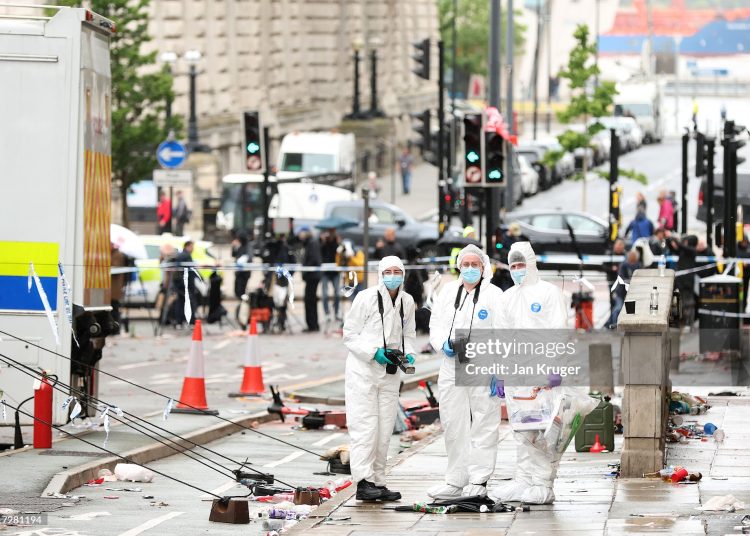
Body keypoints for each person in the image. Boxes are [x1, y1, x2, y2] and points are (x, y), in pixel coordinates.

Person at [490, 241, 568, 505]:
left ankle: (544, 483)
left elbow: (559, 329)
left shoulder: (549, 293)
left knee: (544, 431)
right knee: (521, 430)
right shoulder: (506, 298)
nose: (517, 270)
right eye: (513, 266)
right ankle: (523, 480)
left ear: (531, 263)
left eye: (521, 264)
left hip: (542, 374)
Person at [427, 244, 504, 499]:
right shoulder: (448, 292)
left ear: (484, 267)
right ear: (459, 266)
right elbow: (436, 324)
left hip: (482, 363)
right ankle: (455, 480)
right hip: (451, 364)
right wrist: (443, 344)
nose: (470, 269)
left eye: (475, 265)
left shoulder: (494, 295)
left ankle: (479, 481)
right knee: (452, 422)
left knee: (484, 422)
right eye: (466, 264)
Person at [343, 255, 417, 501]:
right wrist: (373, 352)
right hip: (363, 371)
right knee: (365, 427)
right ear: (380, 274)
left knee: (385, 428)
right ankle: (363, 482)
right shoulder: (365, 298)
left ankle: (378, 482)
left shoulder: (407, 302)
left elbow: (410, 333)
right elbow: (349, 335)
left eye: (398, 271)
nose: (393, 276)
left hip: (390, 373)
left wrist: (410, 356)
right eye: (389, 271)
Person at [608, 249, 641, 328]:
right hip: (621, 292)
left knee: (630, 309)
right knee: (618, 308)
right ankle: (613, 323)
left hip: (632, 292)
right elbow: (621, 278)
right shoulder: (623, 265)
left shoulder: (639, 265)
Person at [299, 226, 321, 332]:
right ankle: (313, 324)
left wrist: (305, 269)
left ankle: (312, 325)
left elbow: (313, 259)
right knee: (310, 300)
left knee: (310, 300)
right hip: (311, 276)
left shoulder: (312, 243)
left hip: (312, 276)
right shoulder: (309, 243)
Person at [171, 240, 198, 326]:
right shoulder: (185, 255)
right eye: (192, 247)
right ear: (188, 246)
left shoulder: (182, 255)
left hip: (181, 283)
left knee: (181, 302)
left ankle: (179, 321)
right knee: (188, 302)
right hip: (184, 283)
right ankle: (190, 321)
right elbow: (190, 270)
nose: (193, 249)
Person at [320, 228, 341, 321]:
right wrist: (323, 241)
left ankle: (336, 313)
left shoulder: (337, 242)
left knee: (337, 293)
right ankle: (327, 313)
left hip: (335, 272)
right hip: (325, 272)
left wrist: (338, 242)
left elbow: (339, 253)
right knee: (324, 294)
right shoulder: (323, 242)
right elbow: (320, 253)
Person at [231, 231, 252, 300]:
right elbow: (234, 255)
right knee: (237, 289)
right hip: (239, 271)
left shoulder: (248, 246)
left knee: (241, 290)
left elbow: (249, 257)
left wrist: (242, 259)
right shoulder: (240, 245)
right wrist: (234, 247)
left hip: (245, 272)